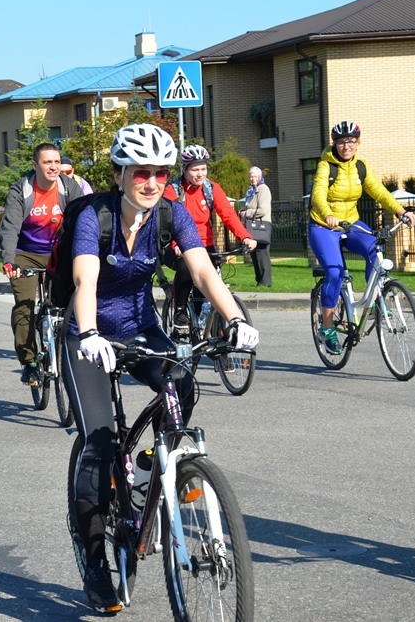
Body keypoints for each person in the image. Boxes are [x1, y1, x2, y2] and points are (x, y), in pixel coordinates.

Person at [62, 123, 259, 612]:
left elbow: (201, 269)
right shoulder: (94, 215)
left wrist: (233, 319)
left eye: (159, 173)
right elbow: (85, 281)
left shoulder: (169, 214)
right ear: (119, 174)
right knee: (100, 444)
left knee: (183, 383)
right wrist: (88, 335)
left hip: (140, 323)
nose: (150, 182)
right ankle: (94, 560)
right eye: (140, 172)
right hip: (86, 333)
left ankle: (154, 469)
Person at [308, 121, 415, 355]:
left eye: (351, 141)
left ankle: (376, 298)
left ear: (357, 144)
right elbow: (318, 194)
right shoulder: (326, 166)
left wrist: (400, 211)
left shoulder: (361, 167)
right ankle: (327, 329)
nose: (346, 146)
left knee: (374, 250)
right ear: (334, 144)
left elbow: (378, 191)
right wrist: (327, 215)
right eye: (341, 142)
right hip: (324, 225)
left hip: (351, 222)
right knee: (335, 272)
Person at [0, 143, 84, 385]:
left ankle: (69, 350)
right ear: (35, 165)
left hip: (58, 252)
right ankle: (30, 362)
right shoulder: (21, 190)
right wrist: (9, 261)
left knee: (70, 304)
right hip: (25, 253)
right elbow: (10, 227)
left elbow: (85, 217)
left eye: (57, 162)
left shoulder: (69, 187)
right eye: (47, 162)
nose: (54, 167)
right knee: (24, 306)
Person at [163, 144, 258, 335]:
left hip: (205, 245)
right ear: (184, 169)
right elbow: (167, 222)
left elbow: (228, 215)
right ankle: (180, 311)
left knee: (209, 288)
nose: (200, 173)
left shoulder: (211, 189)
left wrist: (245, 237)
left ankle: (208, 332)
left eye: (203, 168)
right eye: (195, 169)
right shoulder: (172, 191)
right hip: (176, 245)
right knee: (185, 268)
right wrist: (175, 244)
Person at [243, 165, 273, 287]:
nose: (252, 178)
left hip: (261, 226)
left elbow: (263, 210)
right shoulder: (251, 191)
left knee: (262, 253)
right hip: (253, 226)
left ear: (260, 177)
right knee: (254, 254)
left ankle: (265, 281)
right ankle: (259, 280)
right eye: (250, 176)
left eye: (255, 176)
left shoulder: (263, 189)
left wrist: (247, 213)